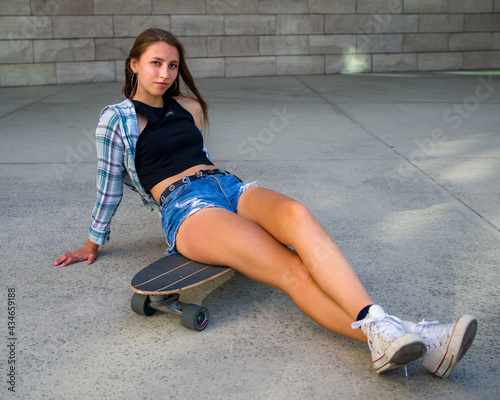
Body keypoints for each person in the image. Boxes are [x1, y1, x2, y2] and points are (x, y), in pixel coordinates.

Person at [54, 28, 477, 378]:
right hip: (187, 209)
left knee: (297, 214)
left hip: (230, 187)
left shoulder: (189, 107)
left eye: (172, 65)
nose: (165, 73)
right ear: (134, 65)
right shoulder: (117, 117)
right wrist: (92, 242)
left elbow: (198, 156)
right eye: (155, 63)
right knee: (288, 266)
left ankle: (393, 334)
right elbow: (108, 184)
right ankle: (420, 340)